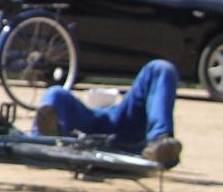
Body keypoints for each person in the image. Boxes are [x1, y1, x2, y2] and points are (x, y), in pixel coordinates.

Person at [34, 60, 183, 169]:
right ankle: (41, 139)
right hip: (82, 131)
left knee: (160, 68)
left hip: (123, 128)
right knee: (56, 92)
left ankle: (160, 143)